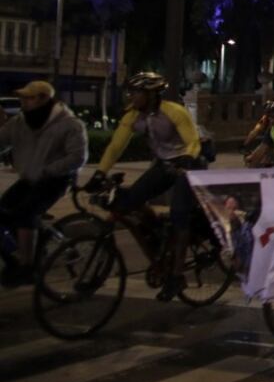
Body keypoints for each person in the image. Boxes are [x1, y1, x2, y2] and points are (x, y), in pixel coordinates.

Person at [86, 72, 205, 301]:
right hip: (163, 164)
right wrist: (100, 173)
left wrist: (187, 159)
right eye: (130, 92)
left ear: (151, 94)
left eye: (136, 92)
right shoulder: (133, 116)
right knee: (129, 200)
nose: (131, 96)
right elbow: (115, 146)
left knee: (180, 214)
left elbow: (193, 141)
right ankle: (156, 231)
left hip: (187, 164)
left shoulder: (174, 112)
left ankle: (177, 276)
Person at [0, 81, 87, 287]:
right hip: (30, 178)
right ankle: (19, 255)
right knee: (3, 211)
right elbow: (2, 141)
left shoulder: (69, 124)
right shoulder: (21, 122)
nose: (23, 101)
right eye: (23, 97)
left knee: (25, 213)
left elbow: (77, 157)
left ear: (44, 99)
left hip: (56, 179)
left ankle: (28, 266)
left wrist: (48, 170)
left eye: (28, 98)